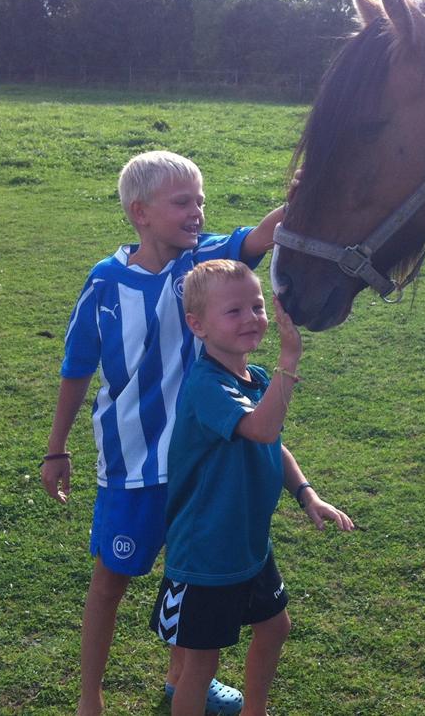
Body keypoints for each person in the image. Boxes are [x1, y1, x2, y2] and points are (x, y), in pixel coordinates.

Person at [41, 150, 287, 716]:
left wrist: (299, 198)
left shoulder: (201, 264)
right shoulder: (104, 284)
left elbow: (260, 239)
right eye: (183, 202)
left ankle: (182, 679)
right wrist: (56, 448)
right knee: (111, 581)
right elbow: (77, 368)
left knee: (193, 577)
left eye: (200, 199)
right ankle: (90, 697)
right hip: (131, 464)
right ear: (140, 212)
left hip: (200, 466)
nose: (197, 211)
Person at [150, 259, 353, 716]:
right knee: (200, 667)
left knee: (275, 628)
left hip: (248, 546)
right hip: (204, 555)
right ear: (197, 325)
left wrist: (306, 494)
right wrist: (289, 361)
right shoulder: (205, 385)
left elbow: (273, 445)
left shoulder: (254, 379)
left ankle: (253, 710)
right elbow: (261, 429)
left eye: (257, 306)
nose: (251, 319)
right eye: (234, 311)